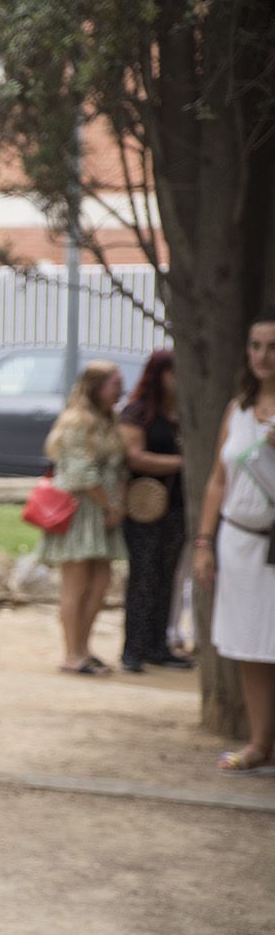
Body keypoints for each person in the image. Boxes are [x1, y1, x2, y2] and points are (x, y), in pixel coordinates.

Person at [193, 314, 275, 775]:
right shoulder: (238, 408)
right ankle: (261, 742)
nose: (263, 356)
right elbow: (218, 481)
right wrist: (204, 542)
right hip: (239, 540)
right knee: (249, 646)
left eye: (273, 346)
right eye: (256, 345)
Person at [40, 361, 128, 676]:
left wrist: (116, 504)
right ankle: (71, 653)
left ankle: (85, 647)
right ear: (96, 386)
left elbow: (117, 467)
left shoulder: (108, 420)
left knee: (100, 583)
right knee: (75, 585)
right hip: (80, 510)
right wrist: (110, 506)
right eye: (114, 383)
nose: (121, 388)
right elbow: (80, 473)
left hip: (103, 511)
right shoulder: (77, 421)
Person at [118, 349, 191, 673]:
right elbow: (134, 456)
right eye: (171, 373)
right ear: (158, 375)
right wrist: (182, 463)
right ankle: (133, 648)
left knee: (167, 576)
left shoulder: (186, 412)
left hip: (177, 507)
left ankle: (158, 646)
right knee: (143, 577)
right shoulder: (138, 413)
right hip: (144, 507)